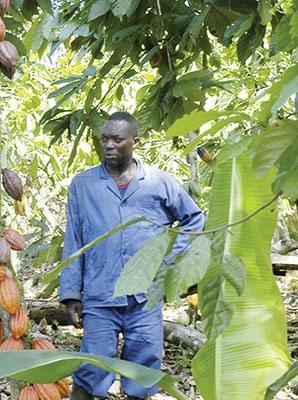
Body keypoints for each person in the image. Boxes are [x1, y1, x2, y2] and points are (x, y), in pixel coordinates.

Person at [60, 112, 205, 400]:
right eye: (105, 139)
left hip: (145, 296)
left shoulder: (159, 182)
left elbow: (194, 220)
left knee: (143, 367)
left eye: (117, 139)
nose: (109, 145)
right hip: (100, 292)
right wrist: (70, 292)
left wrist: (166, 263)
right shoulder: (84, 184)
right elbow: (74, 238)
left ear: (134, 142)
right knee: (92, 365)